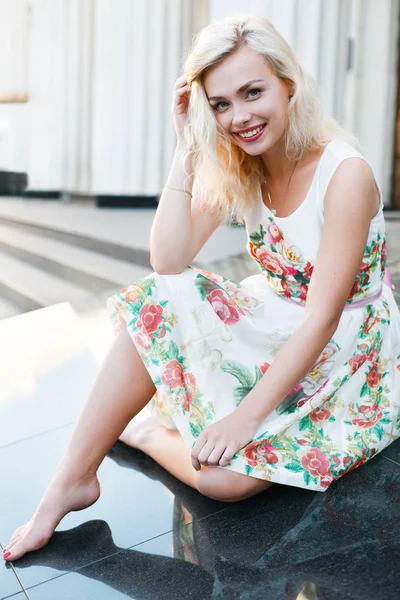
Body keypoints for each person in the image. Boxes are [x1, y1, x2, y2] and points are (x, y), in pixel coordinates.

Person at [3, 13, 400, 563]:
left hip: (345, 344)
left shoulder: (344, 173)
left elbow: (322, 320)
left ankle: (140, 432)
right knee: (161, 298)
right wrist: (187, 147)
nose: (240, 117)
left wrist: (244, 418)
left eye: (253, 92)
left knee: (226, 483)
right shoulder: (247, 160)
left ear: (288, 84)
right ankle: (69, 481)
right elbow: (167, 261)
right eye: (220, 104)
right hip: (279, 317)